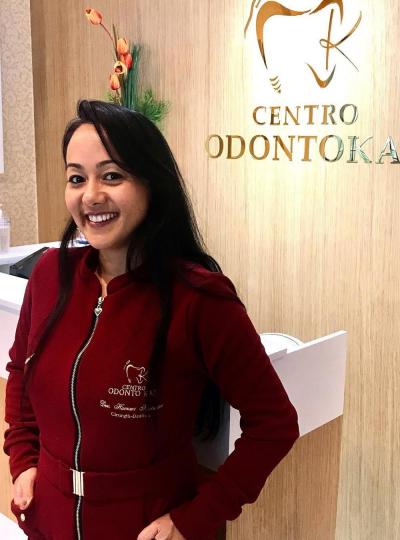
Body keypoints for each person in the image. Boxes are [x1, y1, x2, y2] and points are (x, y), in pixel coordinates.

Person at [3, 100, 299, 540]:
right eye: (76, 178)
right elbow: (21, 372)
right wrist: (25, 459)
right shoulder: (50, 274)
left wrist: (195, 518)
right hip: (49, 520)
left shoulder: (200, 298)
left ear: (151, 183)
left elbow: (275, 424)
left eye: (112, 176)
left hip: (145, 527)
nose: (90, 195)